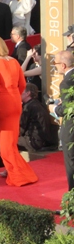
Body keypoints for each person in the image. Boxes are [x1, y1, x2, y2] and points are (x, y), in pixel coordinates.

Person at [0, 35, 38, 186]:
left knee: (4, 143)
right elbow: (22, 84)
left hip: (3, 103)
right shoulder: (14, 61)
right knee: (11, 140)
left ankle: (18, 175)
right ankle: (16, 169)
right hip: (15, 101)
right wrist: (16, 96)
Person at [54, 50, 74, 189]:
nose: (55, 66)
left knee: (71, 165)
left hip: (71, 130)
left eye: (55, 63)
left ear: (63, 65)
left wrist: (54, 109)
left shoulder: (66, 82)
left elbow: (67, 110)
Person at [19, 83, 58, 153]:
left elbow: (21, 128)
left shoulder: (29, 107)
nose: (18, 93)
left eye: (21, 90)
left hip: (33, 142)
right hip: (43, 141)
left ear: (28, 93)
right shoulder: (37, 104)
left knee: (6, 140)